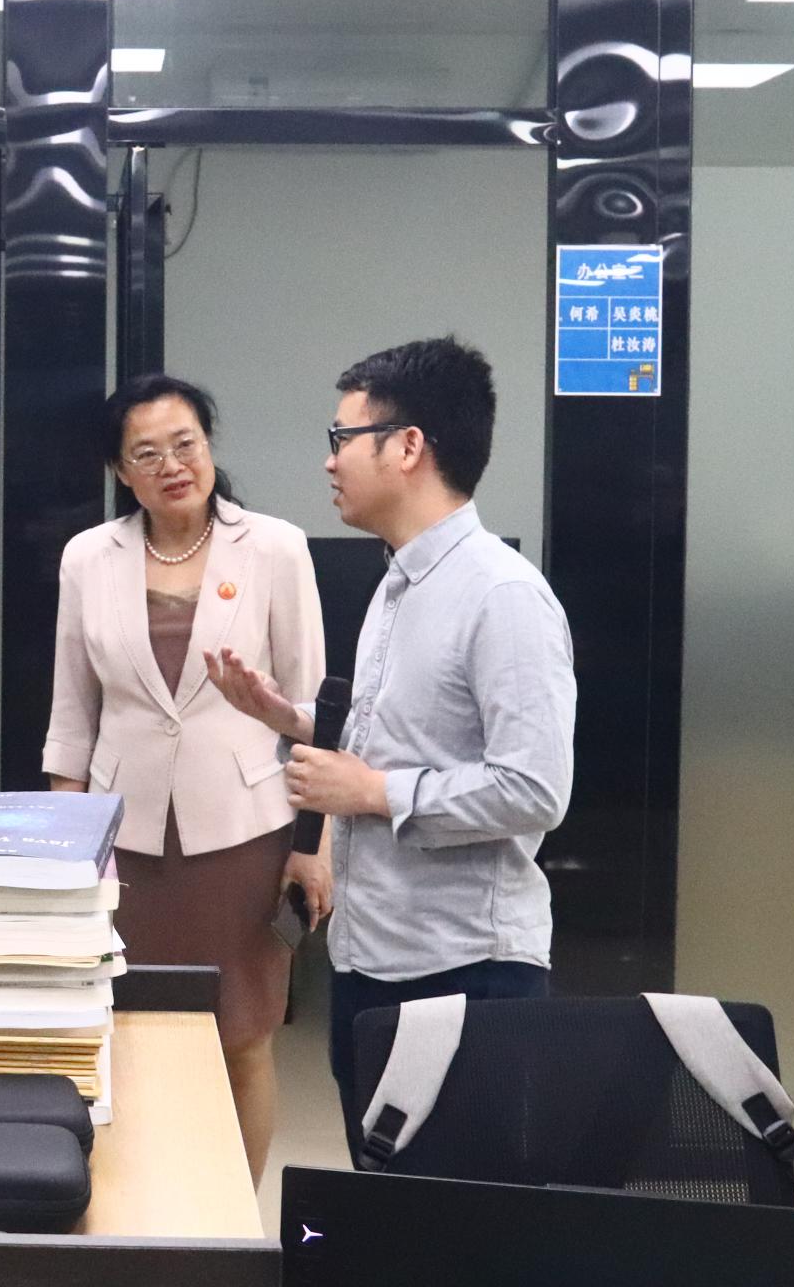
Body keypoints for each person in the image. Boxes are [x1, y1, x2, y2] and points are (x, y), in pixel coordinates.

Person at [207, 335, 575, 1164]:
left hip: (465, 969)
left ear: (408, 447)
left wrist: (372, 793)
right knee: (385, 1200)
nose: (329, 461)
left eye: (343, 437)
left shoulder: (502, 595)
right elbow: (401, 734)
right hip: (373, 956)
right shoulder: (400, 581)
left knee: (456, 1217)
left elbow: (535, 788)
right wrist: (287, 716)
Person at [43, 373, 325, 1180]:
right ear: (120, 471)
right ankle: (138, 1212)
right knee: (122, 1033)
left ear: (209, 446)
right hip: (121, 841)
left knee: (242, 1037)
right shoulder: (88, 558)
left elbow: (315, 713)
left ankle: (231, 1223)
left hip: (244, 835)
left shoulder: (274, 548)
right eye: (147, 454)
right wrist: (68, 852)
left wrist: (316, 848)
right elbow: (72, 717)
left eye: (185, 444)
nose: (172, 465)